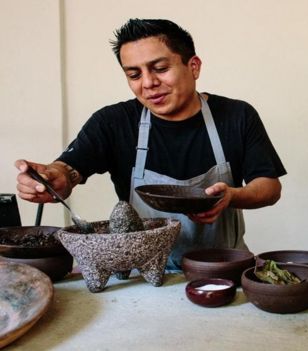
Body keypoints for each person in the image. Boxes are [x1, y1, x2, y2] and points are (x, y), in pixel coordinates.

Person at [14, 18, 286, 269]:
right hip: (141, 276)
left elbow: (269, 187)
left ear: (194, 66)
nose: (149, 83)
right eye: (134, 75)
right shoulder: (113, 122)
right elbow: (67, 169)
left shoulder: (236, 115)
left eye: (160, 69)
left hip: (223, 268)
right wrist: (54, 178)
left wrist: (232, 196)